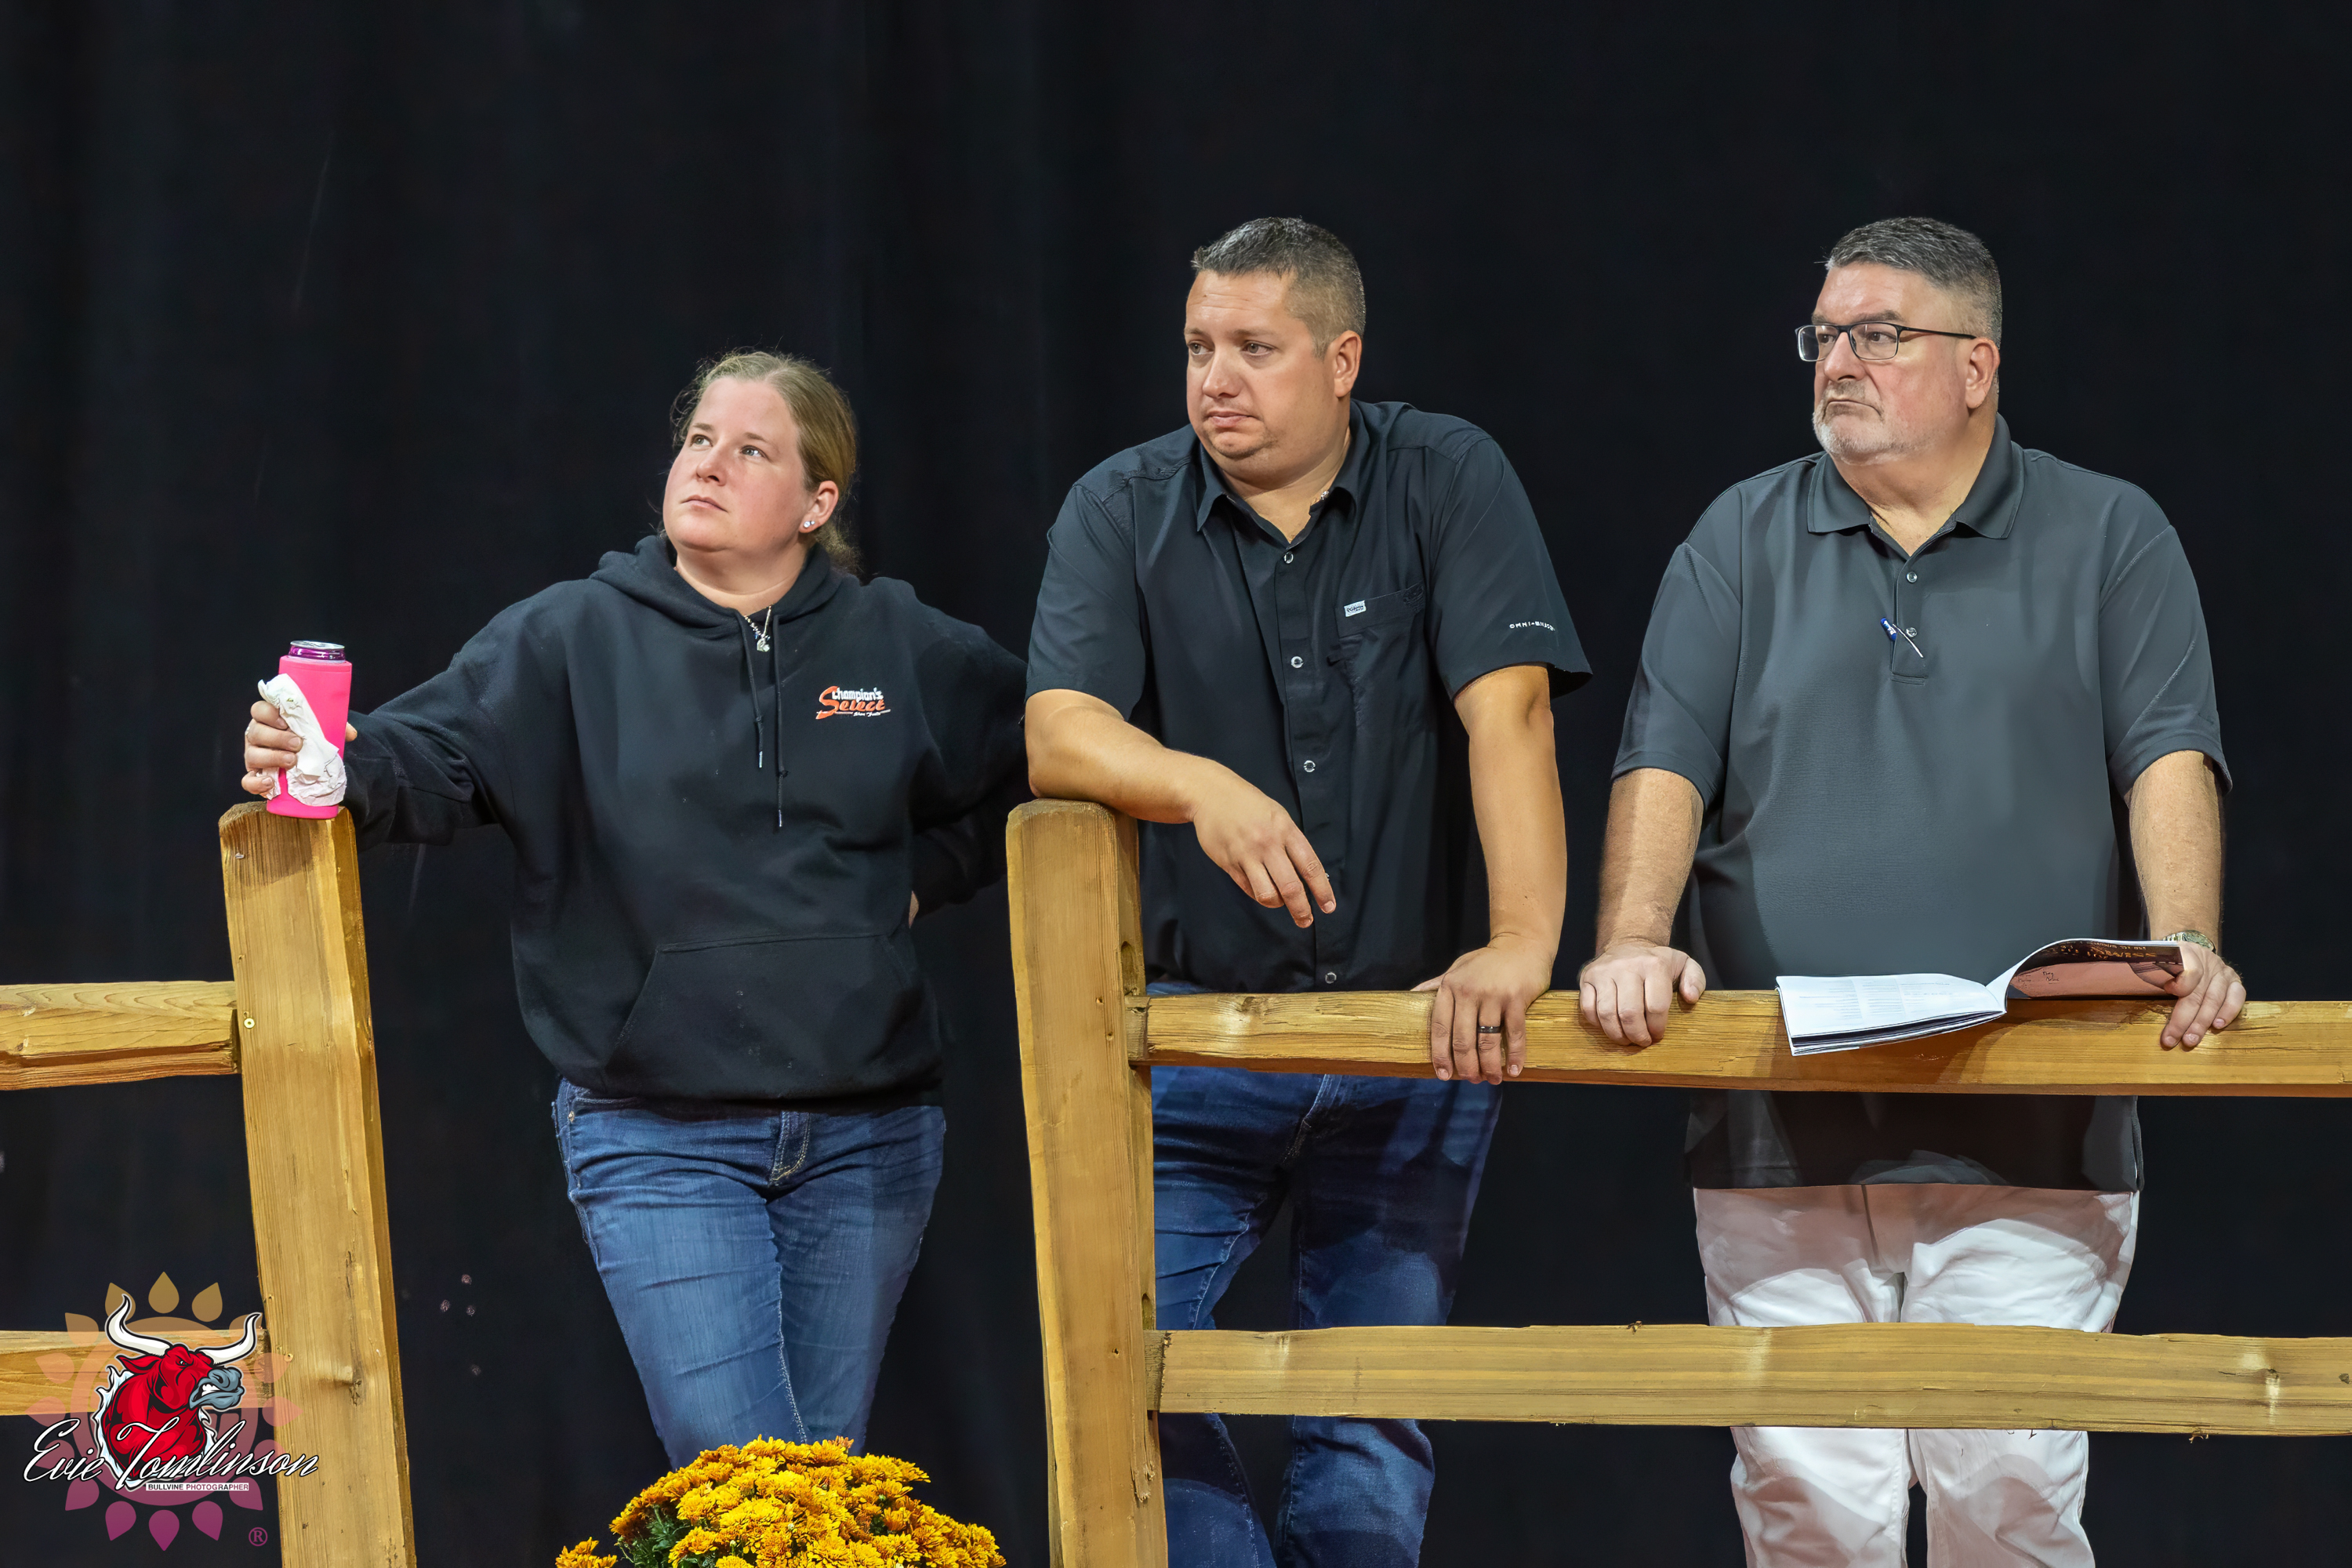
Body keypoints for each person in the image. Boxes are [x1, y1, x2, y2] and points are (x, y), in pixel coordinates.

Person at [1582, 217, 2244, 1565]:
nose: (1838, 362)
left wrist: (2188, 940)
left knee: (2008, 1494)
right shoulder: (1739, 536)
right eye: (1825, 336)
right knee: (1807, 1514)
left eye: (1878, 336)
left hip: (2033, 1129)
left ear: (1977, 365)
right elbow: (1663, 762)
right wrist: (1632, 938)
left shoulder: (2111, 533)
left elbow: (2167, 758)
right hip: (1780, 1126)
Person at [236, 350, 1028, 1465]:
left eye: (750, 450)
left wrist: (926, 876)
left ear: (817, 504)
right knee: (746, 1479)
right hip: (661, 1135)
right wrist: (331, 765)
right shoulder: (571, 636)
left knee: (823, 1489)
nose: (708, 465)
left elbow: (1044, 754)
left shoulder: (897, 643)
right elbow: (433, 756)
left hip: (870, 1135)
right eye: (698, 440)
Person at [1025, 216, 1587, 1568]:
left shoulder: (1446, 473)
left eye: (1254, 349)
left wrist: (1522, 944)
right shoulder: (1120, 505)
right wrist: (1197, 785)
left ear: (1342, 362)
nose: (1215, 378)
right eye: (1197, 347)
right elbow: (1058, 731)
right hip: (1195, 1038)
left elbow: (1509, 712)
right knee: (1124, 1369)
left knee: (1368, 1418)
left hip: (1408, 1038)